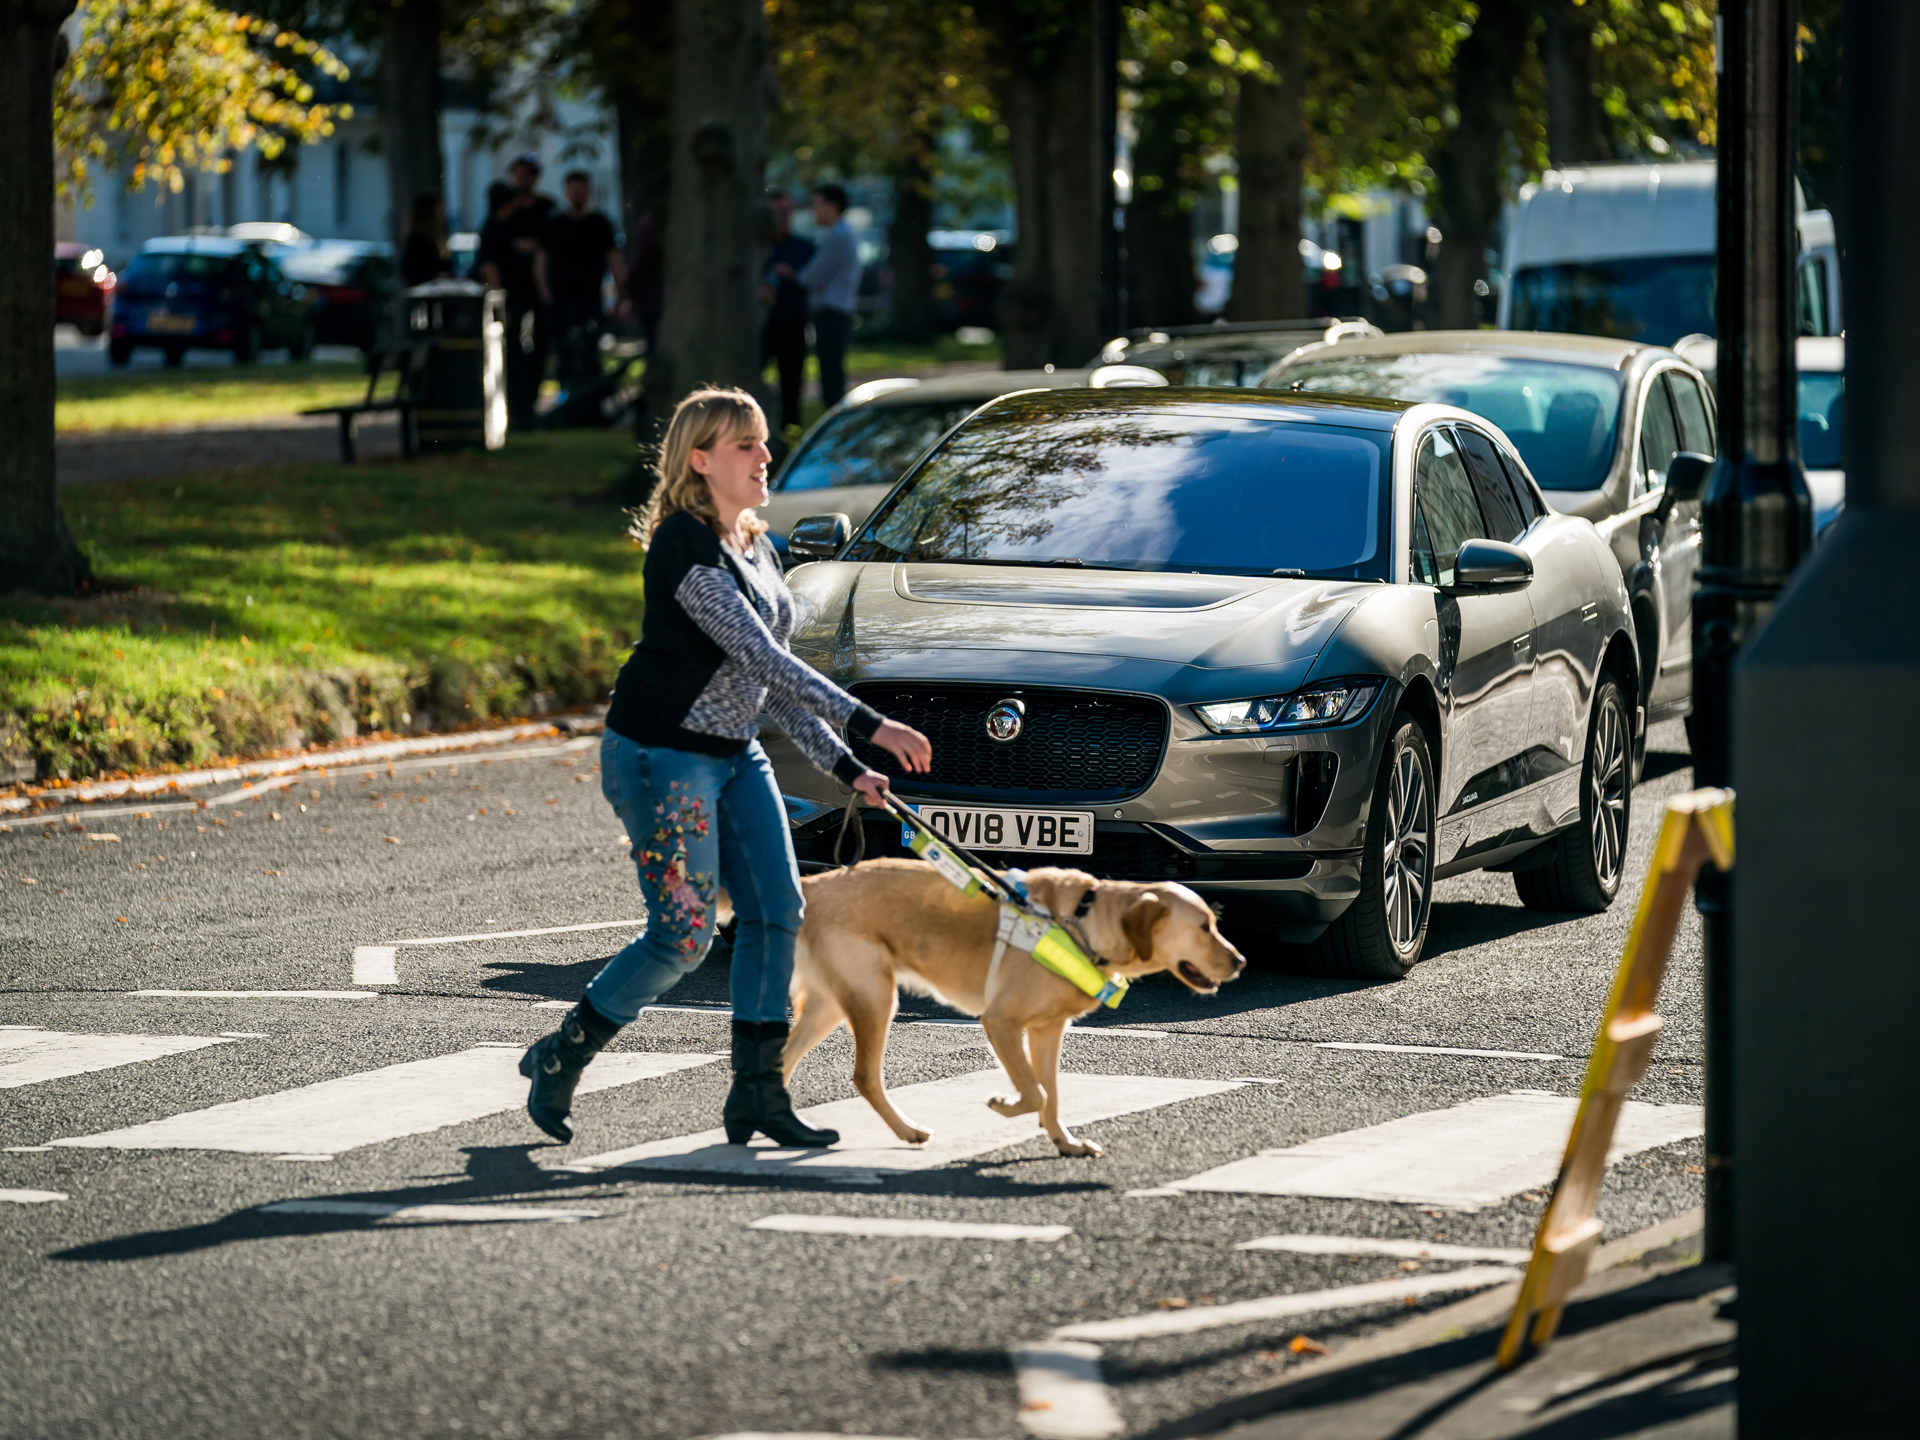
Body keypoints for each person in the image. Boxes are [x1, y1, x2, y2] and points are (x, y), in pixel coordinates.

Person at [520, 387, 932, 1148]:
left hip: (735, 754)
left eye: (765, 442)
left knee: (780, 912)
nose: (765, 456)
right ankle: (562, 1052)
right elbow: (761, 657)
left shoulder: (755, 542)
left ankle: (757, 1096)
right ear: (700, 459)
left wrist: (849, 769)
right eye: (746, 445)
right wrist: (871, 725)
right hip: (660, 756)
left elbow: (769, 690)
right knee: (683, 937)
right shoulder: (684, 545)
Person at [536, 170, 628, 390]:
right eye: (573, 189)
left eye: (581, 189)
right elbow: (541, 263)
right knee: (564, 354)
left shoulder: (601, 223)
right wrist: (547, 296)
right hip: (561, 300)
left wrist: (620, 295)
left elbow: (615, 262)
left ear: (588, 192)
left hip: (591, 300)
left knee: (591, 354)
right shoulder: (554, 224)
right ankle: (568, 398)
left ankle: (590, 400)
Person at [782, 184, 860, 410]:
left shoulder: (839, 235)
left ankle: (834, 419)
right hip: (837, 309)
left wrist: (792, 274)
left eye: (817, 203)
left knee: (831, 372)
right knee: (831, 368)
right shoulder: (843, 233)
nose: (814, 210)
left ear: (832, 205)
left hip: (832, 309)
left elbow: (810, 275)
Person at [500, 154, 556, 428]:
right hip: (513, 289)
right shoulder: (507, 210)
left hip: (538, 290)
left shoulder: (546, 208)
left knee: (540, 347)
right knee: (512, 347)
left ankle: (530, 401)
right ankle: (515, 402)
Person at [761, 189, 814, 433]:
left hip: (792, 325)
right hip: (760, 327)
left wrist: (792, 276)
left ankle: (790, 433)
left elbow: (813, 284)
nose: (783, 217)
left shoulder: (804, 247)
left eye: (787, 211)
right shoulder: (756, 248)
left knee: (792, 383)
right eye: (777, 212)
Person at [399, 193, 451, 288]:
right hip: (424, 293)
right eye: (438, 209)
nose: (441, 213)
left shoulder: (432, 237)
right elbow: (410, 270)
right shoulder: (417, 238)